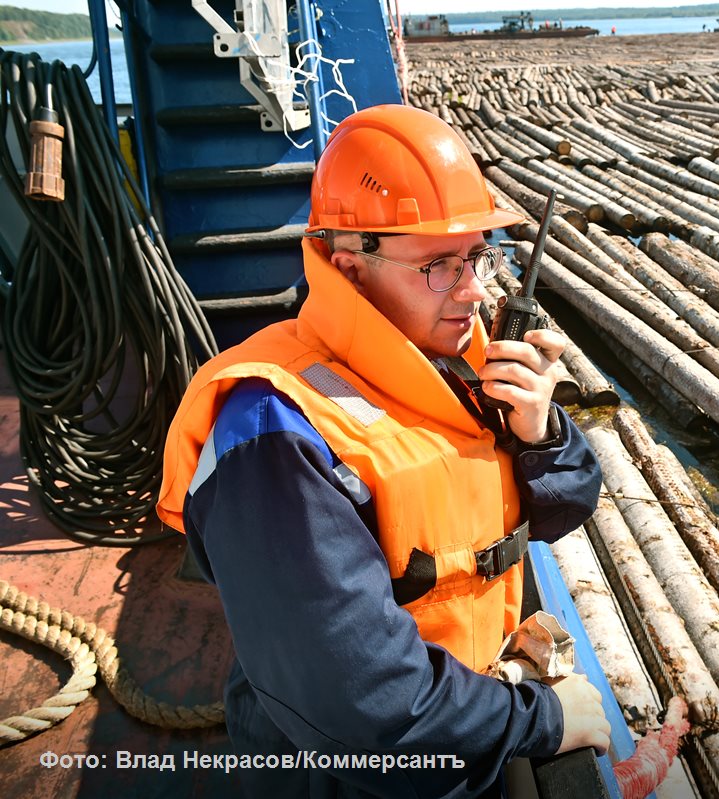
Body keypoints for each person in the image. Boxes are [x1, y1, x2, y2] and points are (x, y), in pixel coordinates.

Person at [157, 104, 610, 798]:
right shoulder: (274, 434)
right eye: (438, 265)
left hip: (462, 727)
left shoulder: (453, 361)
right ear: (350, 266)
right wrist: (541, 720)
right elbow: (361, 698)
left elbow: (558, 509)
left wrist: (542, 436)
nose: (474, 291)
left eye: (476, 257)